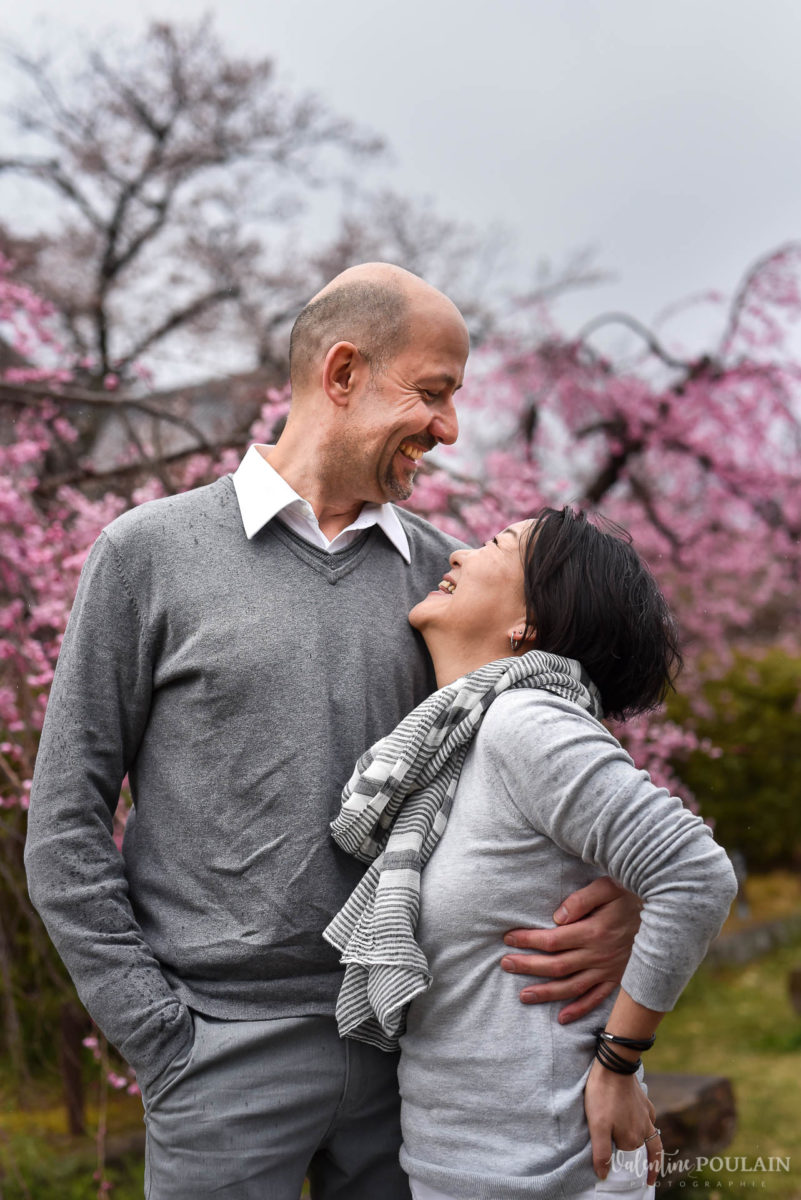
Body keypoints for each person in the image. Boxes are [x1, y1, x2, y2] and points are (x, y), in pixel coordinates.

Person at [27, 264, 641, 1200]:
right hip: (216, 1056)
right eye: (431, 392)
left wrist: (620, 895)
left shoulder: (449, 585)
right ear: (343, 373)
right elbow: (64, 826)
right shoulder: (145, 555)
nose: (448, 428)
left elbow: (560, 763)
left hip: (417, 1057)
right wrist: (160, 1037)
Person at [325, 508, 738, 1200]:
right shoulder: (457, 747)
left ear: (529, 625)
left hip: (554, 1169)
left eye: (495, 546)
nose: (457, 552)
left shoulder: (525, 724)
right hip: (457, 1167)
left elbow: (694, 873)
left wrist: (620, 1058)